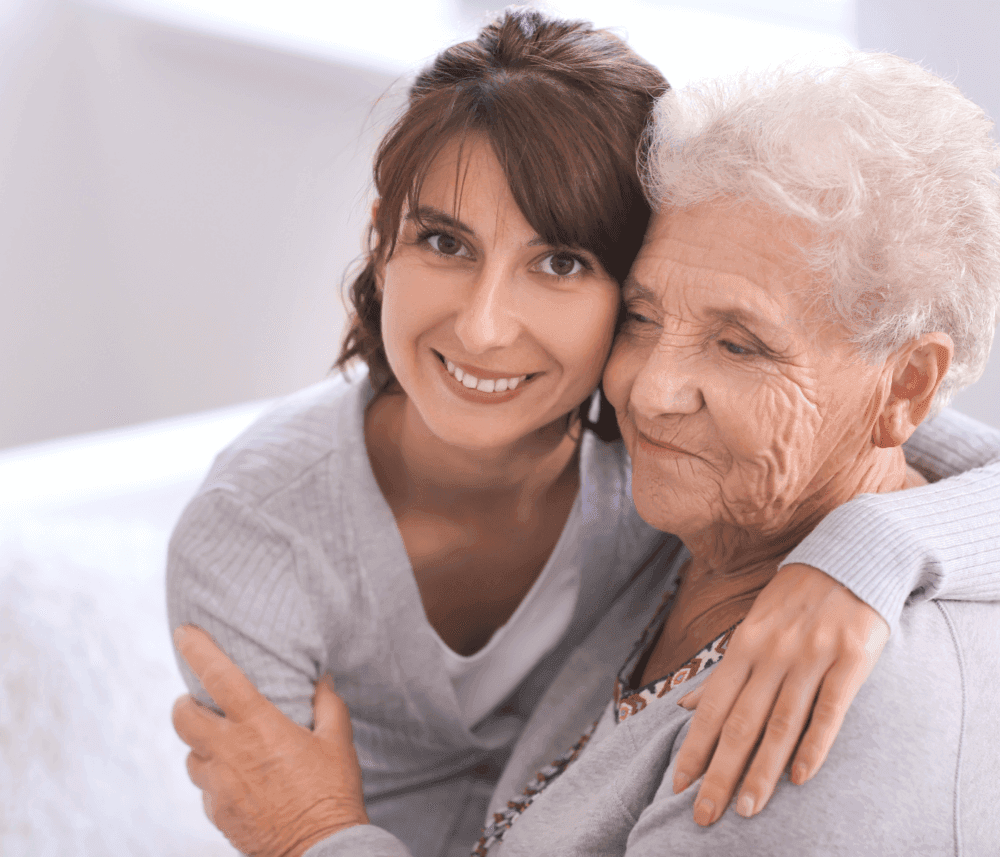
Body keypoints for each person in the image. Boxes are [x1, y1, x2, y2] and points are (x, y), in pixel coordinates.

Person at [169, 17, 1000, 857]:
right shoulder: (689, 509)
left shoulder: (826, 700)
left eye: (739, 343)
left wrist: (312, 833)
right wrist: (875, 544)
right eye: (644, 316)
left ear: (905, 387)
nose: (652, 391)